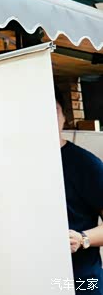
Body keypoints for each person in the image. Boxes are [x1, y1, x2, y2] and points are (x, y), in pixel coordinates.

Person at [56, 89, 103, 294]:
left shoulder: (85, 164)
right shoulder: (17, 163)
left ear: (64, 117)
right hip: (36, 276)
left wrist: (82, 238)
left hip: (81, 280)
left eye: (53, 111)